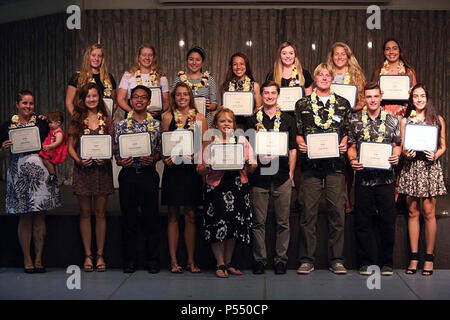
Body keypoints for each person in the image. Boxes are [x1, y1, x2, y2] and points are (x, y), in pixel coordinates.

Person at [295, 63, 351, 275]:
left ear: (332, 79)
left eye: (328, 75)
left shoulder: (343, 104)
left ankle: (337, 259)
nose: (325, 78)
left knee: (337, 213)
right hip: (311, 166)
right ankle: (306, 260)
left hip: (336, 167)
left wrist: (344, 143)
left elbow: (347, 132)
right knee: (308, 214)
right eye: (321, 74)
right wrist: (301, 143)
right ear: (315, 78)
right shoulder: (302, 104)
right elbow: (298, 132)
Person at [0, 90, 62, 273]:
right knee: (25, 216)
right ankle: (27, 259)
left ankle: (39, 259)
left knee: (40, 216)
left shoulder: (42, 123)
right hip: (18, 173)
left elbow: (57, 133)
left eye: (31, 103)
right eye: (24, 103)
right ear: (17, 104)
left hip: (40, 174)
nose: (28, 107)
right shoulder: (6, 126)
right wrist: (3, 147)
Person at [347, 82, 401, 276]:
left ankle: (387, 263)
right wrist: (352, 159)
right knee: (363, 223)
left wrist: (397, 155)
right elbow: (351, 146)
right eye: (369, 97)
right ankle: (365, 263)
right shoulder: (355, 120)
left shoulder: (393, 120)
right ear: (365, 98)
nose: (372, 100)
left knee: (387, 222)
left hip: (386, 180)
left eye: (375, 96)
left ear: (381, 96)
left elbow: (397, 144)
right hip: (363, 180)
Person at [197, 108, 257, 278]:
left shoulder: (242, 140)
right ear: (216, 124)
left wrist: (248, 163)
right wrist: (207, 167)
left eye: (229, 121)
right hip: (216, 188)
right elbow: (199, 170)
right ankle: (220, 263)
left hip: (238, 187)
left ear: (234, 124)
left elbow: (253, 166)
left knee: (233, 225)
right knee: (217, 225)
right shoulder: (209, 142)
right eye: (222, 121)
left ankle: (229, 262)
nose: (226, 124)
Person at [248, 81, 297, 275]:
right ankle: (259, 260)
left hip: (282, 176)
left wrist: (291, 174)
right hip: (259, 178)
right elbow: (249, 148)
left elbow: (293, 148)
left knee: (283, 221)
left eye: (272, 93)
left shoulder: (287, 120)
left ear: (278, 95)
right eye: (265, 93)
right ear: (261, 95)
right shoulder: (253, 120)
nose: (269, 96)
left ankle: (280, 260)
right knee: (258, 221)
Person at [398, 83, 447, 276]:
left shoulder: (437, 119)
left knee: (428, 212)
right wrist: (405, 153)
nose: (419, 99)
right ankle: (413, 257)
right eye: (416, 96)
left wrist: (436, 154)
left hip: (429, 167)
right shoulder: (405, 121)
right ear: (412, 99)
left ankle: (429, 258)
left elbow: (443, 146)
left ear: (427, 98)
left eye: (422, 96)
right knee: (412, 212)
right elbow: (402, 146)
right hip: (411, 168)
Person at [114, 85, 162, 274]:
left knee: (152, 219)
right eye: (135, 97)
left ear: (149, 102)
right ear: (130, 101)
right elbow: (116, 152)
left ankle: (153, 260)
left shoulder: (156, 125)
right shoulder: (121, 125)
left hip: (149, 175)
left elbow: (160, 150)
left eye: (143, 97)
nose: (139, 100)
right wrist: (120, 160)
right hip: (128, 175)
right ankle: (129, 260)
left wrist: (154, 158)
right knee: (129, 220)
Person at [161, 82, 207, 273]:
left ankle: (191, 260)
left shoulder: (201, 118)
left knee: (190, 216)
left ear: (190, 97)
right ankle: (173, 261)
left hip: (191, 173)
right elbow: (163, 144)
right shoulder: (168, 117)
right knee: (173, 216)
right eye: (178, 95)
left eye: (185, 95)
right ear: (174, 97)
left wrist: (197, 158)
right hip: (173, 172)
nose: (182, 98)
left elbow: (204, 146)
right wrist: (166, 158)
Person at [68, 83, 114, 272]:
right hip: (83, 171)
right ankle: (88, 255)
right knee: (86, 214)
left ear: (99, 98)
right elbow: (70, 147)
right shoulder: (77, 119)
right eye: (88, 96)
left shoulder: (108, 119)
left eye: (95, 96)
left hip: (101, 171)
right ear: (83, 99)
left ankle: (100, 254)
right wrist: (79, 160)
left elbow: (112, 144)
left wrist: (106, 156)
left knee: (101, 213)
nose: (92, 99)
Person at [265, 41, 313, 211]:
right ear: (280, 55)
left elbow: (309, 100)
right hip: (280, 122)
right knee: (279, 159)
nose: (287, 56)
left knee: (299, 161)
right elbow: (268, 98)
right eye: (284, 53)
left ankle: (299, 199)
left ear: (295, 55)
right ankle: (276, 198)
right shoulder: (273, 74)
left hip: (299, 121)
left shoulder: (304, 74)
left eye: (290, 53)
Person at [327, 41, 367, 215]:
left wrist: (348, 109)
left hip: (352, 121)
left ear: (348, 56)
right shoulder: (326, 74)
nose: (340, 57)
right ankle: (343, 201)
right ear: (332, 56)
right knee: (338, 164)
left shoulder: (356, 75)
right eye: (336, 53)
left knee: (352, 163)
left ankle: (353, 198)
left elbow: (364, 101)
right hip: (332, 124)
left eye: (343, 54)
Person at [117, 44, 170, 119]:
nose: (147, 58)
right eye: (144, 55)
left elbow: (166, 101)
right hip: (132, 117)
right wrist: (132, 112)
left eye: (150, 55)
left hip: (154, 118)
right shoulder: (128, 76)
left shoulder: (161, 77)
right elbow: (120, 98)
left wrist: (159, 112)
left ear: (154, 57)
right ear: (139, 57)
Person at [371, 39, 417, 119]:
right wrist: (377, 92)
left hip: (404, 112)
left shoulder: (408, 71)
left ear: (400, 51)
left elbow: (417, 93)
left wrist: (412, 91)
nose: (391, 52)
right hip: (383, 112)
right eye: (387, 49)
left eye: (395, 48)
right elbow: (370, 91)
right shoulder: (378, 71)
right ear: (384, 52)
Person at [66, 43, 117, 116]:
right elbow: (69, 102)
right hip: (83, 120)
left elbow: (114, 103)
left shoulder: (109, 77)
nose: (96, 58)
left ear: (102, 59)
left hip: (103, 122)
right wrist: (77, 119)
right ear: (88, 57)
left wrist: (107, 118)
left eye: (99, 56)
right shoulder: (77, 77)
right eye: (93, 55)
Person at [173, 46, 218, 127]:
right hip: (182, 121)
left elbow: (214, 104)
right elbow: (172, 101)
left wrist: (209, 106)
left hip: (203, 121)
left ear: (202, 62)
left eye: (198, 60)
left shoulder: (209, 80)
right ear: (187, 61)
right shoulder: (179, 79)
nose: (194, 63)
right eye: (191, 59)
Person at [220, 52, 261, 130]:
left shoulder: (254, 85)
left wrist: (251, 112)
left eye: (242, 64)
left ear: (246, 66)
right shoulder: (226, 86)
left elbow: (259, 107)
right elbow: (223, 107)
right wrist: (222, 108)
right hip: (230, 125)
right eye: (235, 64)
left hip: (249, 124)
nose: (238, 67)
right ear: (231, 67)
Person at [39, 110, 68, 181]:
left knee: (46, 160)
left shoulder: (59, 133)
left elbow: (58, 142)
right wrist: (44, 118)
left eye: (51, 123)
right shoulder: (53, 130)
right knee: (43, 160)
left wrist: (49, 146)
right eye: (48, 122)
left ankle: (52, 174)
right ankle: (50, 172)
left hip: (54, 151)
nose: (49, 124)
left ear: (58, 123)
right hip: (50, 150)